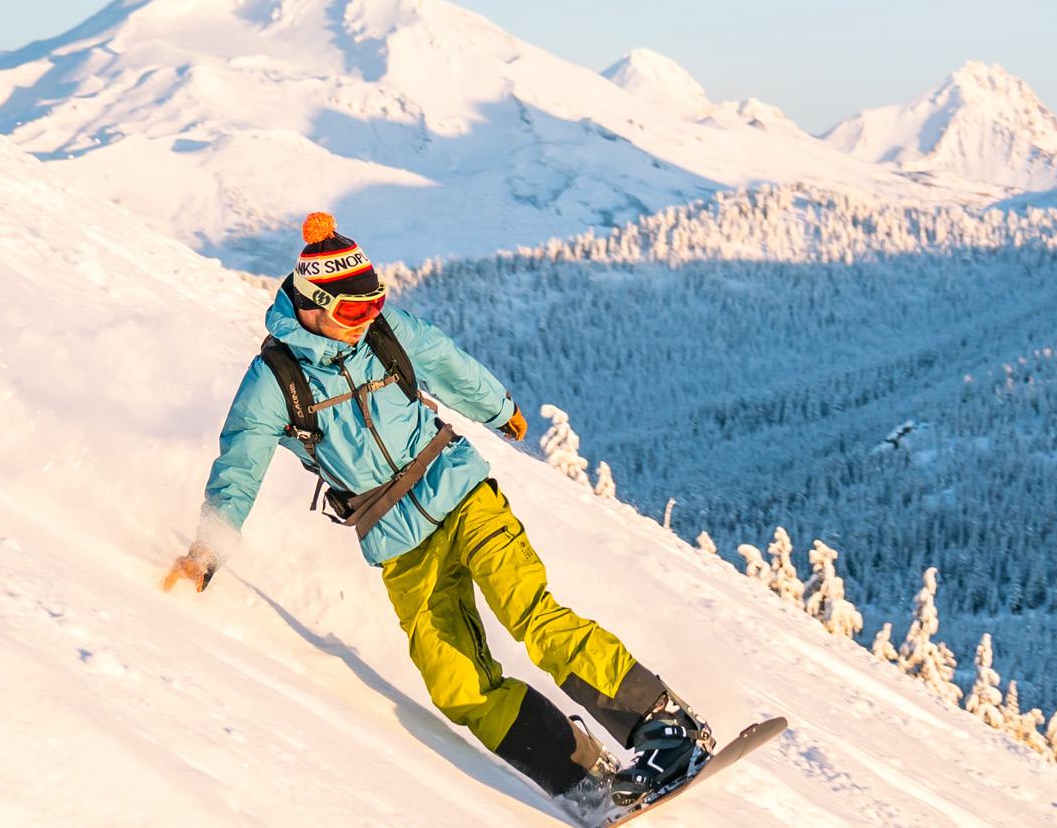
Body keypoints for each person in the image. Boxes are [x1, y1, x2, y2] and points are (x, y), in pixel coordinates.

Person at [165, 212, 711, 822]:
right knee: (456, 682)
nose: (367, 320)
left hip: (461, 493)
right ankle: (587, 781)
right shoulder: (275, 382)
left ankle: (668, 730)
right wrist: (207, 550)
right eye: (354, 310)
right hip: (396, 540)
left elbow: (449, 364)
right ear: (314, 305)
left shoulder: (385, 335)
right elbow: (239, 467)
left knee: (530, 613)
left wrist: (499, 408)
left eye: (375, 304)